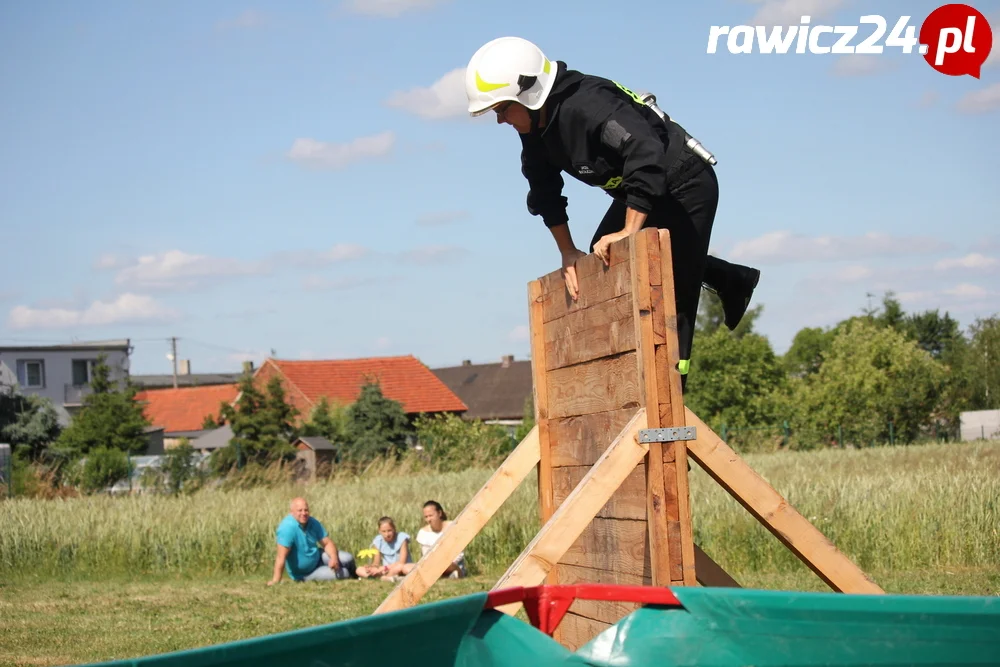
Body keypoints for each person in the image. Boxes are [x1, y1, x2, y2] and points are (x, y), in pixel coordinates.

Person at [464, 37, 761, 385]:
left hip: (684, 183)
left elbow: (645, 152)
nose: (500, 121)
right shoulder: (535, 128)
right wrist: (568, 252)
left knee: (667, 298)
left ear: (528, 94)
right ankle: (730, 279)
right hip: (644, 189)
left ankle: (670, 398)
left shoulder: (587, 106)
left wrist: (630, 230)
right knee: (601, 261)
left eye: (501, 110)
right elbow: (544, 191)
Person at [267, 497, 356, 585]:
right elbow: (280, 557)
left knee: (348, 558)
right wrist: (276, 580)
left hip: (318, 557)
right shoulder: (287, 528)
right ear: (292, 512)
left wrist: (334, 558)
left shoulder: (313, 522)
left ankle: (357, 575)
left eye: (306, 510)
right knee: (344, 573)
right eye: (300, 510)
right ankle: (350, 575)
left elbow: (327, 543)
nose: (304, 513)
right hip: (305, 573)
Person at [416, 500, 466, 579]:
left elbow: (459, 553)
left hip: (452, 565)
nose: (429, 519)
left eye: (431, 515)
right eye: (426, 517)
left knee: (447, 565)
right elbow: (426, 556)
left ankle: (452, 574)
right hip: (433, 567)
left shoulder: (453, 527)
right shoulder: (423, 533)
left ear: (439, 513)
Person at [356, 516, 415, 580]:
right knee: (359, 569)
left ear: (394, 529)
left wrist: (383, 568)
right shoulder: (378, 541)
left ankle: (382, 578)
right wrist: (371, 567)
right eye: (383, 531)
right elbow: (376, 562)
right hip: (385, 570)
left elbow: (402, 562)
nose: (387, 534)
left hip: (398, 567)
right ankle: (387, 578)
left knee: (401, 567)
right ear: (379, 531)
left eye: (389, 530)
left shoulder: (402, 538)